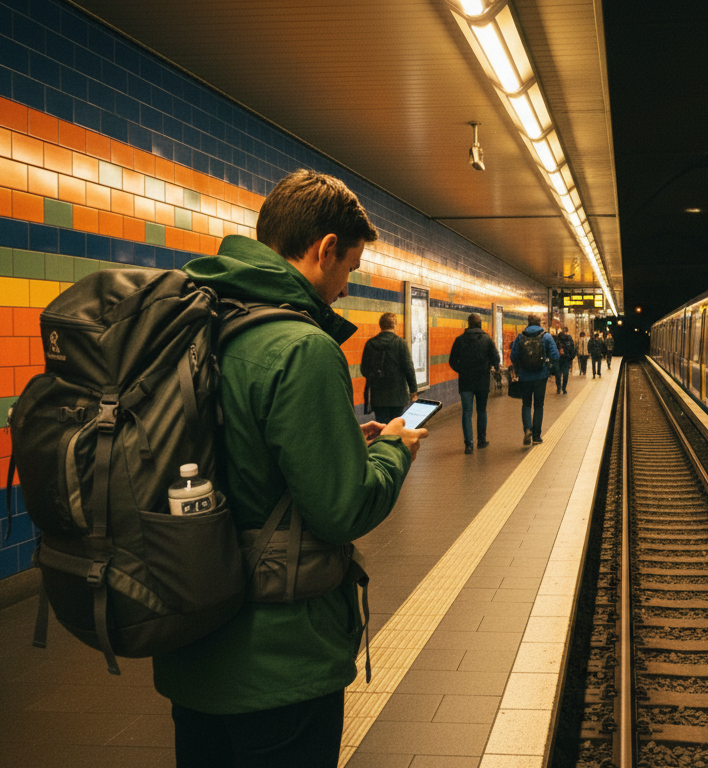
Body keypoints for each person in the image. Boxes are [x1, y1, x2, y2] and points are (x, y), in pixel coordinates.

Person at [158, 169, 428, 767]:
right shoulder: (301, 346)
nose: (345, 287)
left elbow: (236, 452)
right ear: (325, 248)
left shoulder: (198, 320)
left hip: (190, 643)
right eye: (351, 268)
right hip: (279, 661)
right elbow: (341, 510)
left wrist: (334, 444)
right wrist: (392, 452)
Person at [449, 313, 500, 454]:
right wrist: (491, 366)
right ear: (480, 323)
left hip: (465, 381)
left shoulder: (459, 340)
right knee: (481, 410)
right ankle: (481, 440)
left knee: (467, 412)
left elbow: (452, 361)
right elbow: (496, 358)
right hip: (482, 380)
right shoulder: (487, 339)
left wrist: (462, 370)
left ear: (468, 323)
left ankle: (469, 444)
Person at [510, 313, 559, 445]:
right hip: (541, 376)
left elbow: (513, 356)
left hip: (524, 377)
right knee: (538, 405)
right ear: (539, 323)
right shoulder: (546, 336)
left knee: (526, 404)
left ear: (528, 323)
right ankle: (536, 436)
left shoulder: (520, 337)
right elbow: (555, 355)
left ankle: (527, 429)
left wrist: (519, 368)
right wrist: (548, 365)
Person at [361, 312, 417, 423]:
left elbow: (364, 370)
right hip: (397, 396)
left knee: (382, 427)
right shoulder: (401, 343)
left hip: (378, 396)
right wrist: (413, 390)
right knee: (396, 428)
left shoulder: (370, 344)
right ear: (395, 325)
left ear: (380, 325)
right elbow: (408, 368)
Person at [554, 323, 576, 394]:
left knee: (558, 374)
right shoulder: (569, 339)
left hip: (558, 359)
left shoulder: (557, 339)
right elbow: (573, 350)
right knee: (565, 374)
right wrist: (570, 358)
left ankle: (558, 388)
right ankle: (564, 388)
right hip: (566, 359)